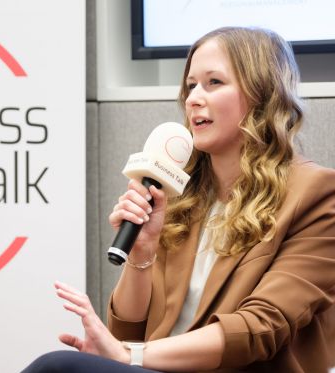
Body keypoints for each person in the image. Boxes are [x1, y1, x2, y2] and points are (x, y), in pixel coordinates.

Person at [21, 26, 335, 372]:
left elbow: (258, 328)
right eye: (191, 86)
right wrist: (141, 255)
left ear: (262, 93)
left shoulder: (316, 194)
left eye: (214, 83)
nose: (194, 98)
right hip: (156, 368)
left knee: (58, 368)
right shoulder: (179, 194)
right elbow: (128, 334)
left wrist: (128, 356)